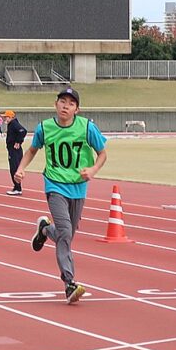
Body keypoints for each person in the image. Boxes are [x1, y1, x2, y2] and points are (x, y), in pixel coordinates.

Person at [14, 87, 108, 304]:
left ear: (77, 109)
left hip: (78, 187)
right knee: (65, 233)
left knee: (67, 234)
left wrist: (92, 170)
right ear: (55, 104)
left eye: (71, 103)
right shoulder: (44, 128)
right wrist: (21, 169)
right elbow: (31, 150)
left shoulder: (86, 128)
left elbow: (102, 154)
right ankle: (69, 283)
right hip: (54, 185)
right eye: (62, 101)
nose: (66, 106)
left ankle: (45, 229)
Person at [4, 110, 28, 196]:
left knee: (14, 168)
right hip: (13, 149)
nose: (4, 119)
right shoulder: (12, 124)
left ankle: (18, 188)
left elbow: (23, 131)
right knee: (15, 167)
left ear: (10, 117)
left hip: (14, 150)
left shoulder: (13, 124)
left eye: (6, 117)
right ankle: (17, 187)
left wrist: (18, 141)